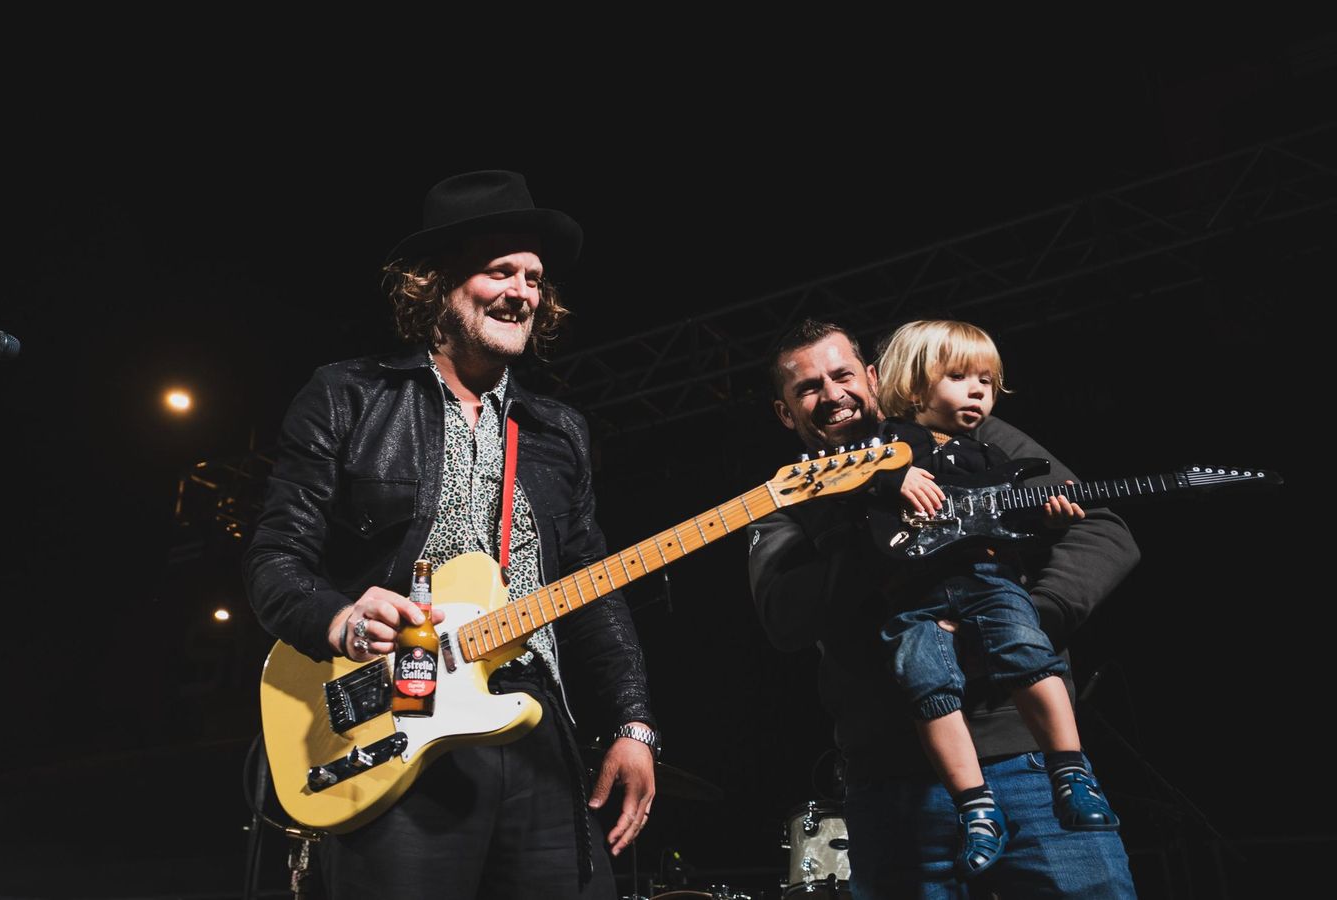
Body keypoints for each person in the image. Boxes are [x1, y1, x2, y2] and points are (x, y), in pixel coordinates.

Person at [243, 170, 659, 900]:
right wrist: (341, 619)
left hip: (535, 723)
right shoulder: (347, 395)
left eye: (534, 277)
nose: (523, 292)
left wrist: (634, 724)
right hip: (401, 723)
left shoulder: (560, 432)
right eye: (500, 270)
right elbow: (276, 562)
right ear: (433, 285)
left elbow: (594, 591)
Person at [748, 319, 1140, 897]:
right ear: (785, 413)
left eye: (842, 374)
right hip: (893, 787)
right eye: (807, 388)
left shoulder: (962, 437)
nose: (831, 395)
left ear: (875, 377)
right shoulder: (786, 498)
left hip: (1026, 763)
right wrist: (874, 525)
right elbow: (783, 618)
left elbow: (1102, 528)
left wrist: (1030, 618)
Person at [869, 320, 1121, 880]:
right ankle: (975, 805)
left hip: (988, 583)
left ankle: (1069, 772)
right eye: (959, 377)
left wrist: (1048, 519)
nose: (979, 390)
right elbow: (854, 484)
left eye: (987, 379)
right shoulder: (882, 443)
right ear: (913, 388)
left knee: (1029, 651)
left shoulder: (991, 449)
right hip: (918, 602)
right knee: (926, 680)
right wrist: (893, 477)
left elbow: (1017, 520)